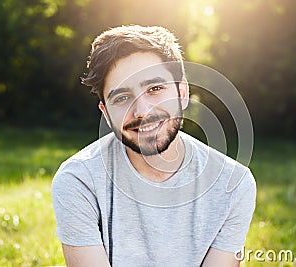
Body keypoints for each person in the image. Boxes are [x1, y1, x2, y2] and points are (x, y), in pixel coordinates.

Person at [51, 25, 256, 267]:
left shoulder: (234, 184)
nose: (142, 111)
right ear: (106, 114)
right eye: (122, 98)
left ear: (182, 93)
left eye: (155, 89)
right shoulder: (79, 180)